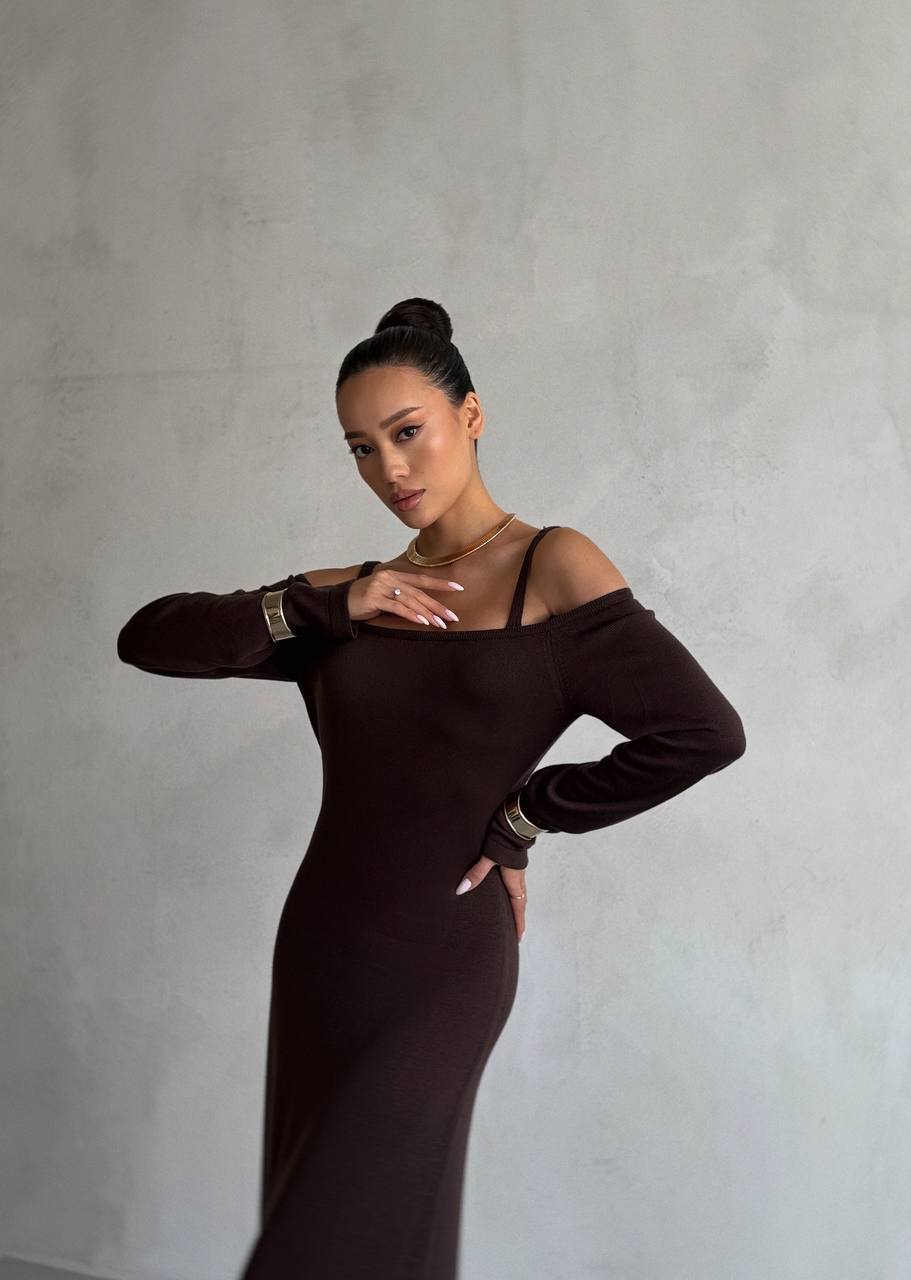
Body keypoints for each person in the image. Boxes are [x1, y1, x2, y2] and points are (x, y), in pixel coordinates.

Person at [116, 296, 746, 1279]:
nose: (388, 469)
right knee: (370, 1237)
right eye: (360, 448)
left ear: (471, 416)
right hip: (325, 944)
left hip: (446, 955)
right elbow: (149, 637)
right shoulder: (352, 595)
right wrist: (322, 602)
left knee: (323, 1241)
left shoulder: (553, 564)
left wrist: (525, 815)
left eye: (405, 432)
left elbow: (700, 731)